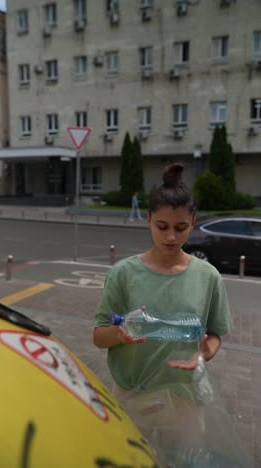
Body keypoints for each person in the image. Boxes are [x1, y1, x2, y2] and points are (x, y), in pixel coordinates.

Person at [93, 162, 232, 458]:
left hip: (185, 397)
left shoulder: (208, 276)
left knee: (183, 461)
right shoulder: (123, 273)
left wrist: (205, 353)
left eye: (181, 228)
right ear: (148, 220)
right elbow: (98, 336)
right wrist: (119, 333)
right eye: (162, 226)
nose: (171, 237)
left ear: (192, 223)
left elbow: (216, 334)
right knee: (129, 460)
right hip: (131, 393)